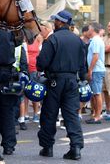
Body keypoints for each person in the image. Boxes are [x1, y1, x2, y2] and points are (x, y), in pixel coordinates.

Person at [36, 10, 85, 160]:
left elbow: (41, 64)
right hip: (72, 81)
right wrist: (82, 80)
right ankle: (76, 148)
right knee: (71, 115)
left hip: (55, 81)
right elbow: (83, 66)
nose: (54, 23)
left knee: (49, 114)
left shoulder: (52, 39)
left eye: (55, 20)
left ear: (61, 22)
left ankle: (47, 147)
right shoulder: (78, 40)